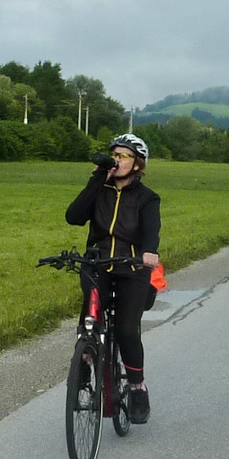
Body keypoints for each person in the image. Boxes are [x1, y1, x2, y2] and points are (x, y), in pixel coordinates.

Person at [64, 134, 160, 424]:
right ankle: (84, 363)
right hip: (98, 262)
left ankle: (137, 387)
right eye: (114, 155)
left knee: (127, 330)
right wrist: (96, 179)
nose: (116, 160)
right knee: (89, 321)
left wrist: (149, 252)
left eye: (123, 156)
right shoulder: (100, 189)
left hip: (132, 267)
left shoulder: (147, 197)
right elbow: (73, 217)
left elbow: (151, 231)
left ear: (137, 164)